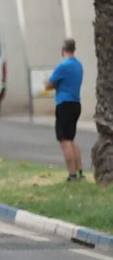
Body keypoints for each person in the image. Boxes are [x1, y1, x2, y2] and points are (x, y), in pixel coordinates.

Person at [47, 39, 85, 181]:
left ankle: (72, 174)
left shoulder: (62, 66)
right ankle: (80, 171)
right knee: (71, 138)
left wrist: (49, 85)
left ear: (63, 49)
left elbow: (49, 84)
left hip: (64, 103)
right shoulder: (78, 65)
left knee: (64, 140)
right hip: (76, 103)